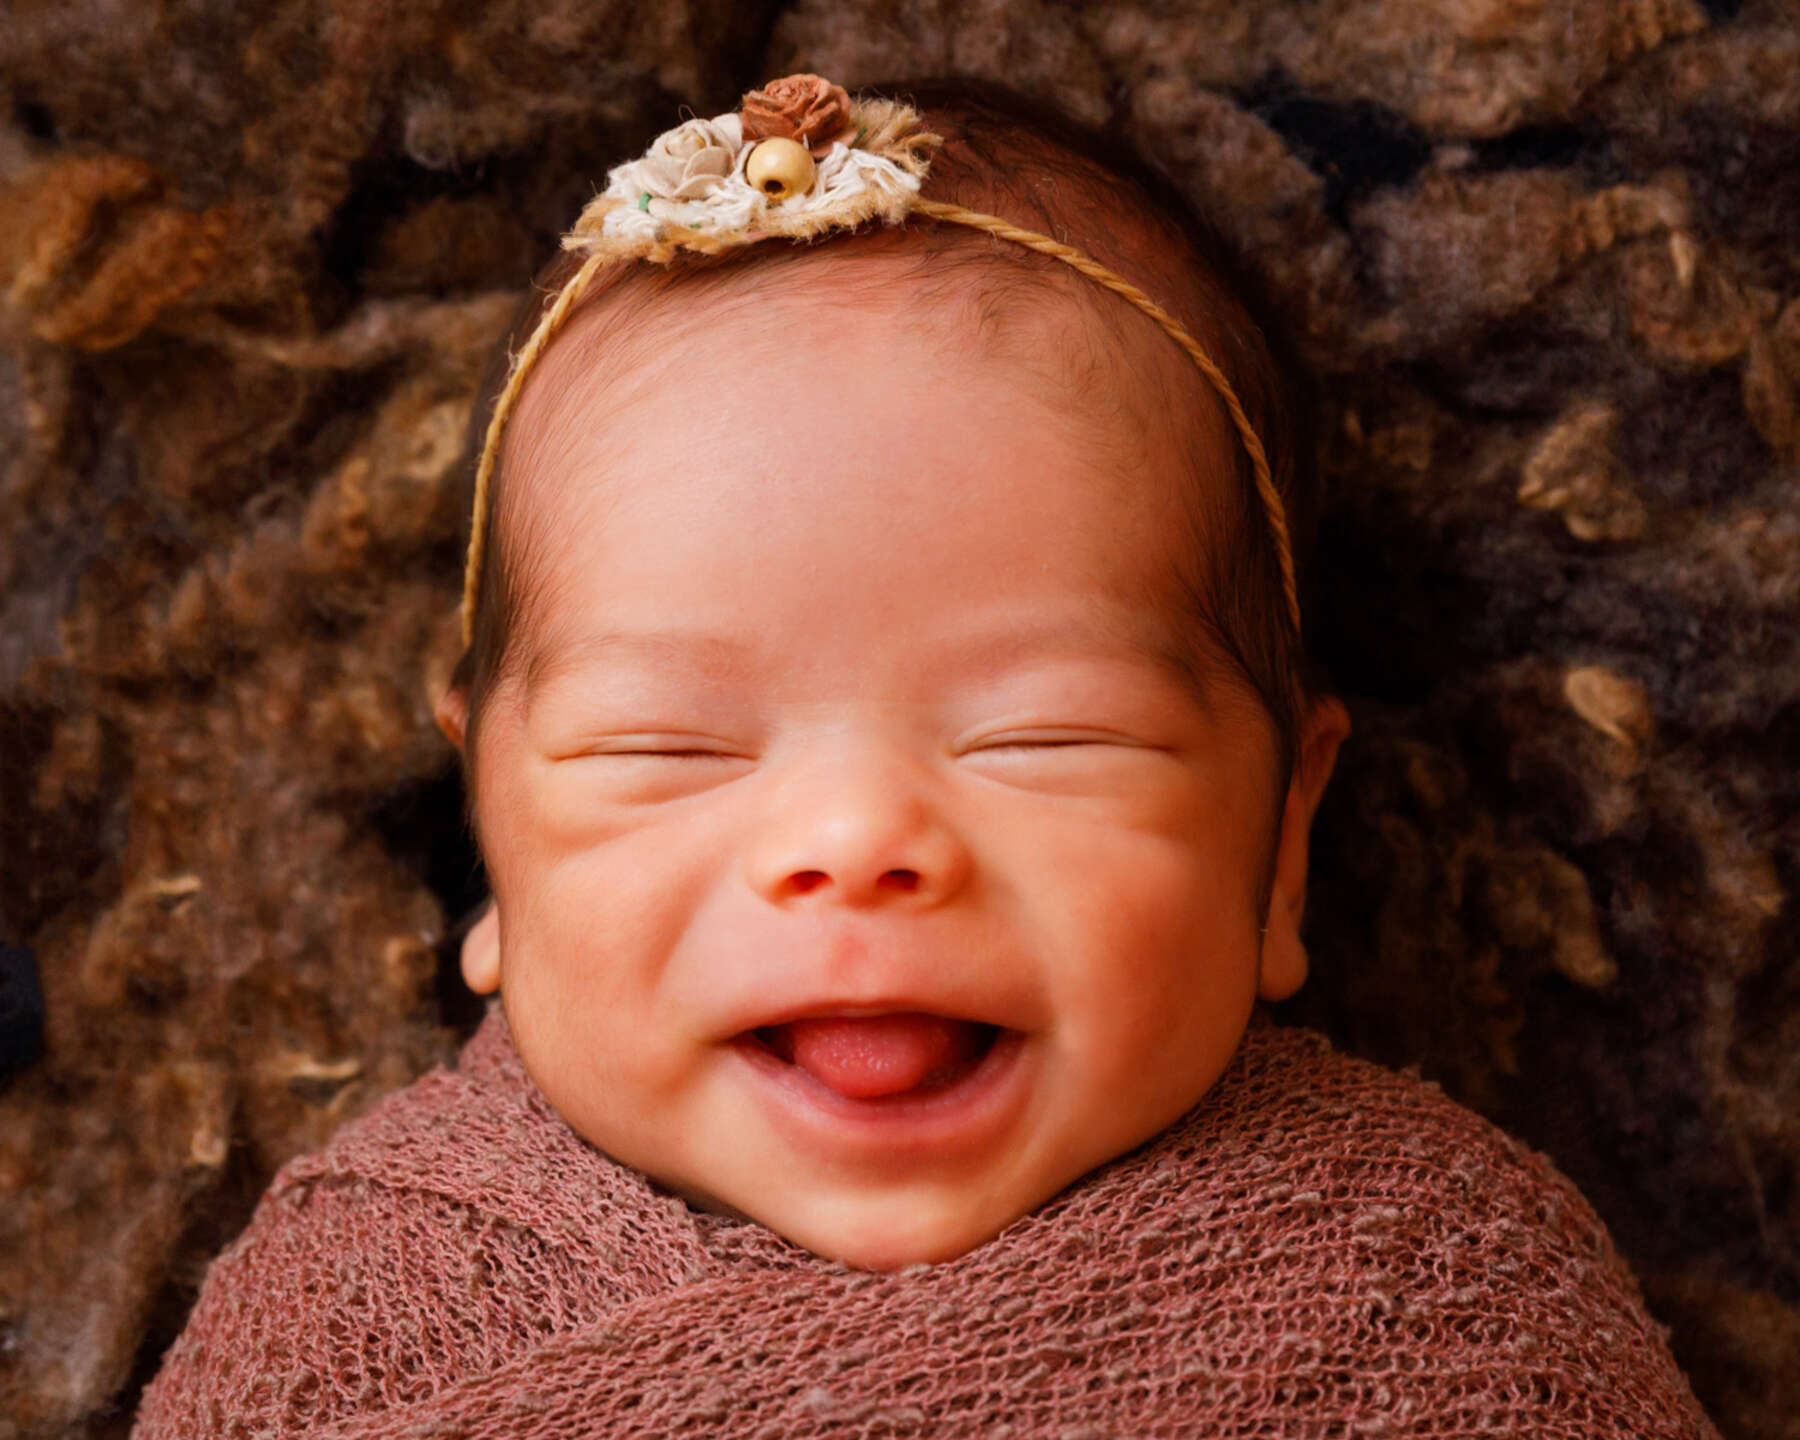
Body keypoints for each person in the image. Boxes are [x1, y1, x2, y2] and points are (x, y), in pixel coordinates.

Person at [132, 75, 1719, 1437]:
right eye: (665, 746)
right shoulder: (355, 1300)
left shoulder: (1436, 1289)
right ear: (491, 849)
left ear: (1283, 835)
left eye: (1043, 736)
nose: (853, 839)